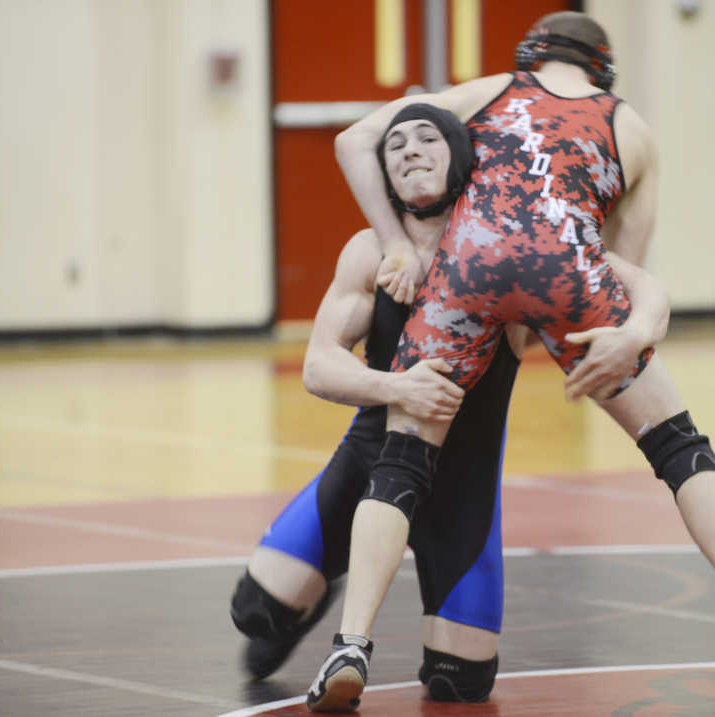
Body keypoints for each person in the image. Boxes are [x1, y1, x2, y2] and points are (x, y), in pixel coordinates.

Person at [309, 11, 715, 712]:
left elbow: (355, 138)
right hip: (568, 263)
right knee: (677, 443)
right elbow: (624, 265)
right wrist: (618, 334)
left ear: (532, 57)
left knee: (402, 461)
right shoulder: (630, 128)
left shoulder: (492, 90)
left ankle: (350, 644)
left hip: (468, 258)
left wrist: (396, 243)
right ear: (601, 69)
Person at [229, 103, 671, 710]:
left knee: (459, 684)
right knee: (255, 613)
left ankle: (345, 576)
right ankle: (320, 581)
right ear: (384, 175)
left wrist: (638, 328)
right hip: (371, 463)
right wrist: (397, 388)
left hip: (463, 485)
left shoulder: (513, 247)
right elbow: (317, 366)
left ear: (460, 155)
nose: (409, 149)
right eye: (395, 145)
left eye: (427, 137)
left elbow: (626, 278)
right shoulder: (369, 254)